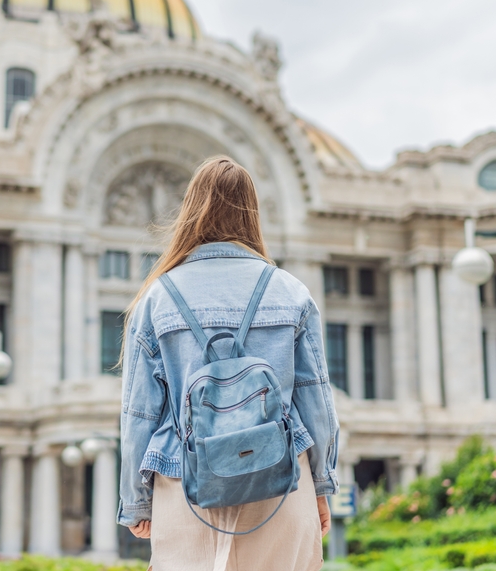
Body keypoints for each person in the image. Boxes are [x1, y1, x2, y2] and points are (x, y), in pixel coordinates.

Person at [117, 155, 340, 571]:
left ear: (190, 211)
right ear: (252, 213)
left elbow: (140, 413)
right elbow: (316, 404)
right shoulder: (290, 291)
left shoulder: (158, 297)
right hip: (280, 481)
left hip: (186, 484)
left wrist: (137, 500)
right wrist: (322, 486)